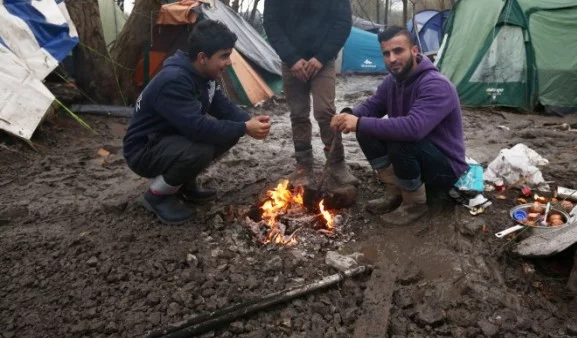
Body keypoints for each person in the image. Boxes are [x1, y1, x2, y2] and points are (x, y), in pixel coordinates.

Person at [123, 20, 271, 225]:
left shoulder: (206, 75)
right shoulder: (174, 80)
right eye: (224, 56)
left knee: (228, 133)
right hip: (143, 150)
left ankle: (183, 183)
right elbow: (198, 128)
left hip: (168, 139)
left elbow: (223, 108)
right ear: (202, 57)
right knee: (199, 149)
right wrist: (245, 128)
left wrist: (249, 121)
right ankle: (157, 196)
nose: (228, 63)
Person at [331, 25, 468, 226]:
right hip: (417, 157)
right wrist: (349, 115)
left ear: (414, 51)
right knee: (366, 131)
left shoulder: (436, 84)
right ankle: (396, 191)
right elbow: (373, 106)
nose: (392, 59)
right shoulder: (393, 81)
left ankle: (414, 204)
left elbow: (414, 129)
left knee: (399, 137)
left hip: (446, 170)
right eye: (386, 53)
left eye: (398, 51)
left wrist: (359, 123)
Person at [263, 0, 358, 187]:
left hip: (323, 60)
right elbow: (271, 23)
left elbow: (343, 22)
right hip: (291, 61)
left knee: (325, 111)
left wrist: (322, 57)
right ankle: (303, 166)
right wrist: (291, 58)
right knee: (298, 114)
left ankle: (337, 164)